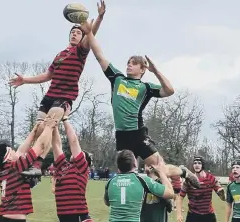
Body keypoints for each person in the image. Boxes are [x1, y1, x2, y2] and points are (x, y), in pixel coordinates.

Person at [78, 19, 200, 189]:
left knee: (160, 169)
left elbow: (170, 90)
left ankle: (183, 172)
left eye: (134, 63)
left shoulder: (145, 87)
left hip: (138, 135)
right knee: (125, 178)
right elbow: (99, 55)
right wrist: (89, 31)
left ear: (142, 70)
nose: (129, 64)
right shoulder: (117, 79)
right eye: (128, 62)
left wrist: (156, 71)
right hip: (121, 135)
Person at [9, 0, 107, 176]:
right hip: (49, 96)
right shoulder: (60, 55)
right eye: (73, 32)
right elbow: (47, 75)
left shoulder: (81, 51)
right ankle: (29, 164)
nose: (75, 34)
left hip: (64, 97)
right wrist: (25, 80)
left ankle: (37, 165)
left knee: (48, 127)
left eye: (79, 32)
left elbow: (91, 32)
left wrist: (99, 17)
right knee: (38, 129)